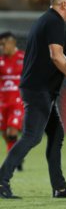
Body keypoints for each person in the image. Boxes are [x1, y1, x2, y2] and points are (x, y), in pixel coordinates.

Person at [0, 0, 66, 199]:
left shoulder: (47, 20)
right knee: (31, 137)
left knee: (56, 135)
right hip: (38, 90)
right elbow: (56, 56)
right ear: (63, 4)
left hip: (41, 89)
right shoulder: (55, 21)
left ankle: (59, 187)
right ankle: (2, 181)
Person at [0, 32, 25, 171]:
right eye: (0, 45)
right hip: (2, 101)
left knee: (12, 131)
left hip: (17, 100)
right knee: (4, 132)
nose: (2, 47)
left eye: (4, 44)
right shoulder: (1, 60)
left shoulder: (24, 57)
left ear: (12, 43)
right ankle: (17, 156)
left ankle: (13, 160)